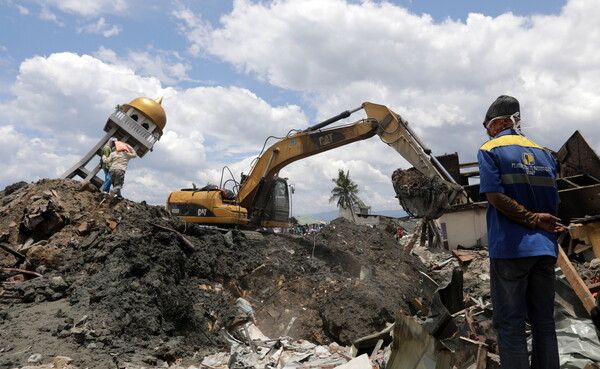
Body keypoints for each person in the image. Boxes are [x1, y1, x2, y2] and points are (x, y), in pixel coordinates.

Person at [477, 95, 564, 369]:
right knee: (543, 322)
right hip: (544, 251)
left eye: (489, 126)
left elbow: (494, 196)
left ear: (501, 122)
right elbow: (555, 201)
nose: (489, 132)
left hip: (511, 249)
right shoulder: (545, 154)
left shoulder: (490, 150)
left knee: (511, 324)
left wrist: (531, 218)